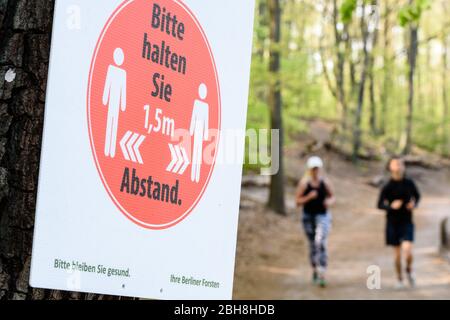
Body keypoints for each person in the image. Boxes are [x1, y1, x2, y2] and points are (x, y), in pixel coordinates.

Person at [377, 156, 421, 289]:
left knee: (407, 251)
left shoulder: (409, 183)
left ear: (404, 167)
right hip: (392, 223)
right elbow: (379, 204)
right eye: (395, 164)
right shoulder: (387, 186)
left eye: (401, 164)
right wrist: (391, 206)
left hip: (407, 221)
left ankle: (409, 269)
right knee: (396, 255)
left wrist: (414, 204)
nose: (398, 166)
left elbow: (417, 196)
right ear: (390, 167)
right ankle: (399, 279)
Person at [296, 156, 335, 287]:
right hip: (308, 217)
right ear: (309, 169)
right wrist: (308, 197)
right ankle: (314, 269)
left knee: (320, 241)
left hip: (323, 216)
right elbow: (297, 201)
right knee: (313, 244)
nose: (315, 171)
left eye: (317, 168)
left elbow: (332, 197)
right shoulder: (304, 184)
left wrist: (328, 202)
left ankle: (322, 272)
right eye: (313, 169)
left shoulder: (325, 182)